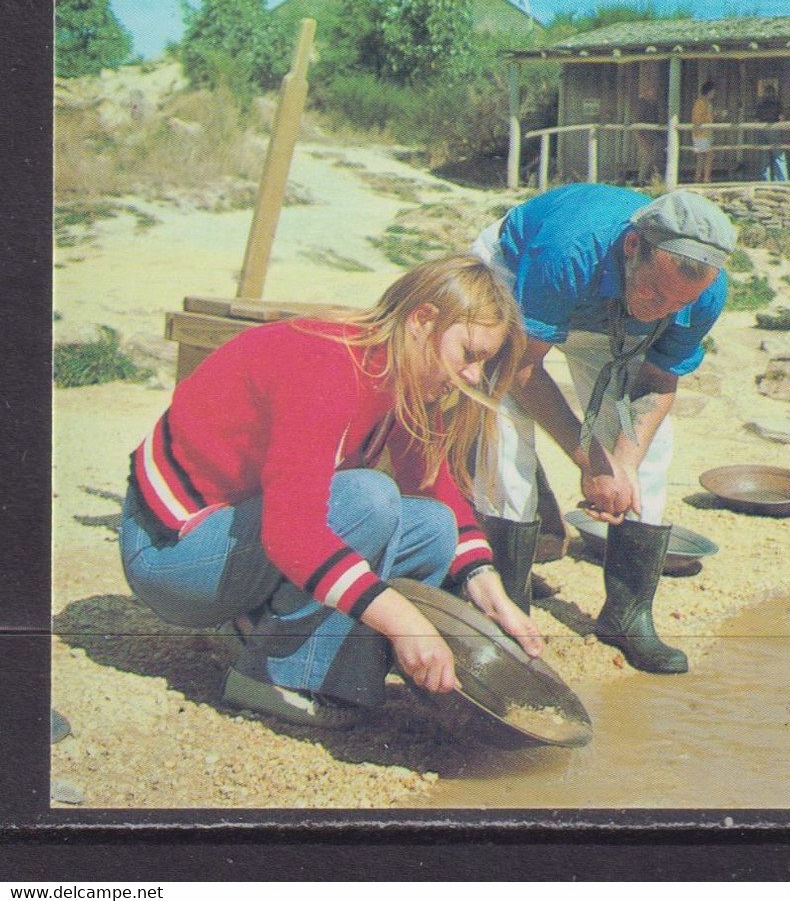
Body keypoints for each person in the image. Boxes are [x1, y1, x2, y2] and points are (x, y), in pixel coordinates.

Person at [119, 256, 543, 730]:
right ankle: (270, 675)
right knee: (369, 500)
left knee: (433, 525)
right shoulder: (325, 367)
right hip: (170, 553)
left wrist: (488, 588)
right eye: (470, 354)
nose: (472, 376)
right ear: (423, 320)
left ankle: (313, 661)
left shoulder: (398, 370)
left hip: (232, 537)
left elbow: (432, 487)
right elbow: (292, 533)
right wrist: (405, 621)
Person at [470, 185, 735, 674]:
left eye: (677, 304)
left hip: (610, 309)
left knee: (652, 448)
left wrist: (623, 463)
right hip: (523, 279)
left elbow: (659, 379)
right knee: (504, 430)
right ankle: (505, 610)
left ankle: (627, 614)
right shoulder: (568, 250)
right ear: (633, 246)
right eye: (655, 292)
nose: (662, 309)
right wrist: (591, 462)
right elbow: (522, 369)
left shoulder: (700, 294)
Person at [754, 86, 788, 182]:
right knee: (778, 156)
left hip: (762, 130)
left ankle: (764, 181)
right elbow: (781, 118)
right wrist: (781, 130)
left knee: (764, 157)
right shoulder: (777, 104)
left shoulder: (760, 105)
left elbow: (756, 120)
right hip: (774, 129)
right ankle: (782, 181)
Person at [690, 79, 716, 184]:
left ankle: (698, 177)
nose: (714, 94)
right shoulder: (700, 103)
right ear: (708, 92)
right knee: (709, 155)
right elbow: (697, 118)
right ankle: (706, 178)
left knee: (701, 156)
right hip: (701, 133)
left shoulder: (707, 103)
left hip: (706, 133)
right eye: (713, 92)